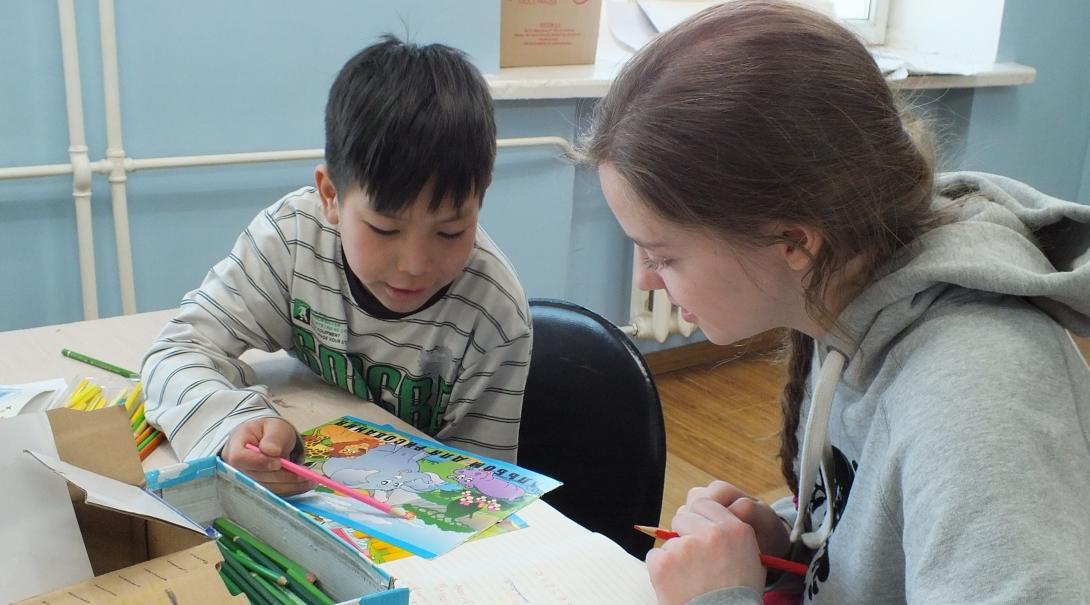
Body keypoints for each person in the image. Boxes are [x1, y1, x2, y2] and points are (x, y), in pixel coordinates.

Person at [583, 2, 1090, 603]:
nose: (645, 281)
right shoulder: (847, 297)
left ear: (795, 240)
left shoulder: (975, 399)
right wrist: (794, 545)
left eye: (663, 256)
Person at [141, 36, 531, 496]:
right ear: (330, 196)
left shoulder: (494, 316)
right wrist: (236, 426)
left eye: (450, 231)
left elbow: (479, 492)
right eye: (384, 229)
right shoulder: (291, 241)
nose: (415, 265)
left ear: (481, 195)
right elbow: (176, 352)